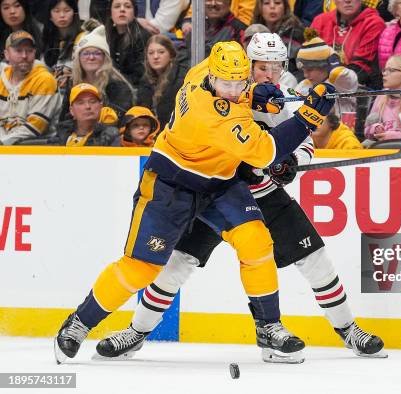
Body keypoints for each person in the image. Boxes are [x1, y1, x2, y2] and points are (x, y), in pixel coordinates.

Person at [96, 33, 384, 361]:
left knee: (315, 258)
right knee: (175, 264)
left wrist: (291, 163)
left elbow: (303, 143)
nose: (270, 75)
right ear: (248, 65)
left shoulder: (285, 98)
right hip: (213, 194)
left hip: (262, 194)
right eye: (263, 67)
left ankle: (347, 330)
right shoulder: (225, 90)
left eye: (277, 68)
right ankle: (136, 333)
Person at [61, 25, 135, 123]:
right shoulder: (72, 83)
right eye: (86, 53)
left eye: (97, 53)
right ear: (78, 58)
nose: (91, 57)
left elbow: (116, 122)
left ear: (105, 58)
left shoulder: (118, 85)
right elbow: (63, 121)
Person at [0, 31, 61, 145]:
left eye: (29, 51)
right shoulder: (1, 78)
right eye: (18, 51)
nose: (24, 56)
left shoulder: (45, 80)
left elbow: (35, 128)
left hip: (38, 148)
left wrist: (3, 143)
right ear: (6, 54)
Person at [311, 0, 386, 88]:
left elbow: (362, 67)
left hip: (357, 86)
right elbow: (307, 59)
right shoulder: (320, 21)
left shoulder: (373, 23)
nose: (347, 1)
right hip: (318, 81)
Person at [136, 34, 189, 130]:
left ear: (171, 54)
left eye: (161, 52)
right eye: (151, 53)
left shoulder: (181, 79)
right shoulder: (145, 80)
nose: (155, 57)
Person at [364, 55, 401, 142]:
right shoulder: (381, 97)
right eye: (384, 70)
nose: (384, 73)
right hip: (379, 148)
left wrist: (390, 136)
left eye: (391, 70)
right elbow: (367, 129)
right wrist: (375, 129)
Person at [251, 0, 305, 78]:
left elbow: (302, 69)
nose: (272, 7)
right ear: (260, 8)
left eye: (277, 3)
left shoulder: (297, 33)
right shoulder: (253, 32)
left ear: (285, 7)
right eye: (266, 3)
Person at [41, 0, 84, 97]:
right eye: (56, 11)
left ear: (74, 13)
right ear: (50, 16)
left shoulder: (83, 38)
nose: (62, 15)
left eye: (67, 10)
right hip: (51, 96)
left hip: (76, 94)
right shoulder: (46, 39)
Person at [54, 83, 120, 146]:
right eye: (80, 103)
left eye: (92, 101)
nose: (87, 106)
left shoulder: (110, 138)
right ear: (71, 110)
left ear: (101, 107)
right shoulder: (61, 135)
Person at [106, 0, 151, 86]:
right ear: (110, 14)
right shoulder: (105, 36)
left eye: (127, 6)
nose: (122, 10)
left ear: (134, 13)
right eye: (117, 6)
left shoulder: (143, 37)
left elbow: (141, 75)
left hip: (136, 88)